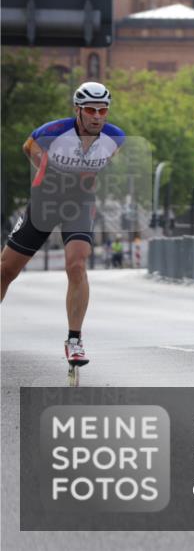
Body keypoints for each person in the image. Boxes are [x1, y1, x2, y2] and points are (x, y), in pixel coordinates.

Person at [0, 81, 125, 375]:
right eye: (91, 110)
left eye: (103, 110)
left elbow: (105, 161)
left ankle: (74, 340)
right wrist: (47, 169)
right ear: (78, 110)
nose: (97, 116)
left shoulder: (116, 137)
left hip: (79, 204)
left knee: (77, 265)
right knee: (6, 270)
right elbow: (28, 146)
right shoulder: (54, 131)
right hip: (45, 201)